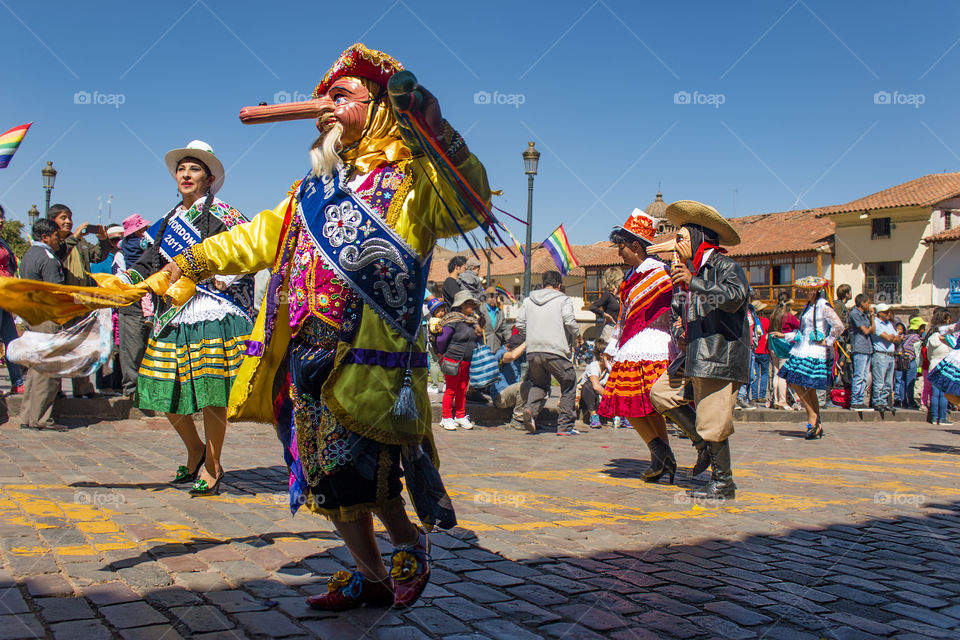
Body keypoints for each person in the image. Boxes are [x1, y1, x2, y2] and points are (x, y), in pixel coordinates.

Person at [159, 44, 491, 610]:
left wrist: (430, 118)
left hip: (370, 355)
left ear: (380, 106)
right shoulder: (311, 188)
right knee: (326, 474)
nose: (326, 109)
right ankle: (371, 573)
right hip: (307, 352)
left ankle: (409, 542)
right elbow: (256, 237)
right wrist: (192, 260)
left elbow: (469, 205)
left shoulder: (412, 182)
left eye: (340, 97)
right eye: (325, 99)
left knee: (373, 466)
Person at [124, 140, 255, 496]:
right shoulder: (167, 220)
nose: (185, 174)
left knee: (213, 394)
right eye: (181, 168)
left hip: (212, 309)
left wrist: (218, 277)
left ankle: (213, 464)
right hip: (175, 314)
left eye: (194, 168)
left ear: (209, 178)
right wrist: (124, 281)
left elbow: (247, 250)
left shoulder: (226, 213)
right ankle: (195, 449)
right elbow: (149, 261)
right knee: (158, 387)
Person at [648, 200, 749, 500]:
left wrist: (694, 283)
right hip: (694, 355)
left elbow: (736, 296)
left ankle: (723, 483)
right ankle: (701, 444)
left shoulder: (724, 266)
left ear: (697, 238)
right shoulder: (689, 271)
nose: (674, 245)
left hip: (719, 355)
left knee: (714, 421)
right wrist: (680, 329)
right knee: (661, 393)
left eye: (680, 238)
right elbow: (684, 314)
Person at [600, 210, 698, 481]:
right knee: (631, 406)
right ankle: (661, 455)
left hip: (656, 345)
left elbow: (681, 306)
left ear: (635, 246)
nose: (618, 253)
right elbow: (624, 316)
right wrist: (611, 347)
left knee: (654, 404)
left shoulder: (662, 274)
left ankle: (700, 443)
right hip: (631, 346)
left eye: (621, 247)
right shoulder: (630, 279)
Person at [47, 203, 110, 399]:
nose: (68, 221)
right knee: (61, 346)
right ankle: (55, 389)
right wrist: (74, 236)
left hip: (81, 302)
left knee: (81, 346)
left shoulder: (81, 244)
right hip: (62, 304)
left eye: (69, 217)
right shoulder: (54, 243)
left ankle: (83, 387)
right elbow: (59, 255)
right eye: (63, 217)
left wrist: (102, 239)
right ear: (52, 222)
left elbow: (99, 256)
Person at [770, 277, 844, 440]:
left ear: (817, 290)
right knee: (795, 380)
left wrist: (828, 340)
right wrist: (785, 335)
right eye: (805, 290)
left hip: (816, 350)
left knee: (805, 384)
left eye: (809, 290)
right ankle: (814, 417)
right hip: (803, 347)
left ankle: (813, 418)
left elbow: (839, 326)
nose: (806, 293)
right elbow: (803, 330)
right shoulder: (807, 307)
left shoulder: (823, 305)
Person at [517, 270, 581, 435]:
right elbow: (569, 320)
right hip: (555, 350)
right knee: (569, 382)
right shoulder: (563, 299)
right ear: (559, 285)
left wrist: (531, 336)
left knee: (539, 384)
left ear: (543, 283)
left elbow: (520, 324)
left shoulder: (528, 300)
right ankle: (565, 426)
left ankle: (530, 410)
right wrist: (578, 334)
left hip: (533, 350)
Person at [17, 219, 67, 431]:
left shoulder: (29, 256)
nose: (58, 239)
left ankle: (28, 416)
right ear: (45, 237)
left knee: (35, 369)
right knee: (47, 371)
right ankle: (41, 418)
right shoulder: (48, 258)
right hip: (46, 319)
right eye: (56, 235)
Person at [115, 214, 155, 398]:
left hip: (150, 300)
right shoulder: (125, 253)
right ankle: (131, 388)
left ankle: (146, 388)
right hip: (132, 303)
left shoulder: (139, 248)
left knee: (147, 346)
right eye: (143, 230)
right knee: (132, 347)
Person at [437, 290, 481, 430]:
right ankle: (446, 417)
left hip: (467, 361)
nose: (472, 306)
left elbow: (477, 339)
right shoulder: (453, 319)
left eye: (473, 304)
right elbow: (442, 339)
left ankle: (460, 416)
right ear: (461, 305)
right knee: (451, 389)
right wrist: (440, 353)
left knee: (462, 389)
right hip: (453, 360)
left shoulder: (472, 321)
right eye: (469, 303)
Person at [0, 204, 24, 395]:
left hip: (6, 296)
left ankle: (17, 381)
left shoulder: (3, 242)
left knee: (11, 340)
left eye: (2, 217)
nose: (1, 221)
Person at [769, 298, 800, 410]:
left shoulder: (773, 315)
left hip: (773, 343)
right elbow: (799, 326)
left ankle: (776, 400)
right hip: (784, 345)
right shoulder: (788, 316)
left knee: (776, 372)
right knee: (782, 374)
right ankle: (782, 400)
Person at [925, 309, 954, 425]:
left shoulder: (932, 336)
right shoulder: (946, 337)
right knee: (943, 394)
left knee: (935, 393)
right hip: (945, 367)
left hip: (933, 365)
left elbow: (928, 353)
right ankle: (942, 418)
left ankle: (934, 417)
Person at [870, 303, 901, 412]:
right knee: (879, 381)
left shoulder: (889, 324)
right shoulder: (876, 323)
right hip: (880, 354)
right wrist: (891, 337)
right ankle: (877, 401)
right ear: (879, 313)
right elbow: (888, 338)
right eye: (885, 312)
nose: (888, 314)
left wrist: (892, 337)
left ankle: (885, 401)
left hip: (890, 355)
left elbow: (897, 339)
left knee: (888, 382)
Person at [847, 293, 874, 411]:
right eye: (868, 302)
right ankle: (855, 400)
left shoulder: (865, 315)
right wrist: (870, 325)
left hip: (868, 347)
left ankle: (860, 399)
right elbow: (866, 331)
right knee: (859, 375)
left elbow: (873, 330)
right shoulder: (855, 313)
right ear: (862, 303)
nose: (869, 305)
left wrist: (872, 317)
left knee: (864, 376)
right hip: (859, 347)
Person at [579, 337, 609, 428]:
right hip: (587, 399)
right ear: (601, 356)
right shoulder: (593, 366)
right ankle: (593, 416)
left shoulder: (609, 369)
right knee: (588, 385)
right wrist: (613, 399)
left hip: (601, 400)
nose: (613, 359)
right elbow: (596, 387)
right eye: (609, 356)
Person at [897, 316, 924, 409]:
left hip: (902, 361)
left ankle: (903, 401)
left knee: (903, 381)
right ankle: (911, 402)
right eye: (922, 327)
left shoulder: (906, 336)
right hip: (911, 362)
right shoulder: (916, 338)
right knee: (910, 382)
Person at [588, 267, 623, 333]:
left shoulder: (621, 295)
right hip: (610, 329)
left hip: (620, 329)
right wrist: (606, 315)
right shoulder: (607, 295)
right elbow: (592, 307)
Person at [425, 296, 446, 394]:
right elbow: (433, 328)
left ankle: (434, 385)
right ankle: (443, 384)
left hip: (435, 345)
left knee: (435, 363)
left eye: (442, 310)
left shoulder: (436, 319)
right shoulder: (435, 320)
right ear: (433, 313)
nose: (441, 313)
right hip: (438, 345)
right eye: (438, 311)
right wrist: (437, 328)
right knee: (441, 364)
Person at [751, 301, 771, 406]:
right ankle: (762, 395)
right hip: (764, 351)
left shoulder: (752, 321)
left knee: (755, 374)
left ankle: (754, 396)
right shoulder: (766, 321)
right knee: (764, 373)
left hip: (754, 350)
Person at [481, 286, 509, 353]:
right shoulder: (480, 310)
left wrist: (510, 341)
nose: (493, 299)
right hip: (484, 347)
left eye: (495, 297)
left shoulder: (500, 312)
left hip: (497, 347)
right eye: (491, 297)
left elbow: (505, 329)